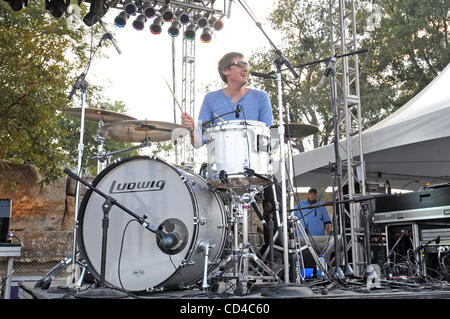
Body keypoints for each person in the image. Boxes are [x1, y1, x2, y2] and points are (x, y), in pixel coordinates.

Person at [180, 51, 273, 147]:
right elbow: (198, 143)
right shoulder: (210, 99)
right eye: (240, 65)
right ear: (226, 71)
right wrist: (191, 130)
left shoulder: (261, 97)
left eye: (246, 65)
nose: (245, 69)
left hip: (256, 160)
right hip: (221, 161)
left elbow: (268, 136)